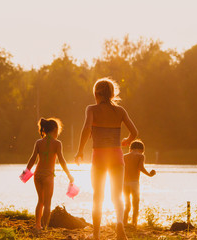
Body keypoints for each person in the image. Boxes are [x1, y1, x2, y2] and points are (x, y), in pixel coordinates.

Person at [75, 78, 138, 240]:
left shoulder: (92, 109)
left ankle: (96, 234)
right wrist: (127, 141)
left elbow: (86, 128)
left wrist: (80, 150)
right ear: (112, 94)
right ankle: (120, 229)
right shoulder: (120, 111)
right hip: (117, 156)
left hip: (99, 157)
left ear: (96, 93)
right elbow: (135, 132)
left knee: (98, 195)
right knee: (117, 195)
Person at [26, 117, 74, 230]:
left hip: (37, 175)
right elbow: (62, 160)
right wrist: (69, 175)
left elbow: (32, 159)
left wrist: (26, 173)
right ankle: (45, 227)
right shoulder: (57, 143)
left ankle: (37, 225)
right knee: (47, 203)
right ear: (55, 130)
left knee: (40, 201)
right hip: (48, 176)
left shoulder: (38, 142)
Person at [123, 140, 156, 228]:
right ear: (141, 149)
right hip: (134, 182)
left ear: (131, 148)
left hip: (124, 182)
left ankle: (124, 223)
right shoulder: (141, 156)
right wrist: (149, 174)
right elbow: (140, 167)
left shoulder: (124, 156)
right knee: (135, 204)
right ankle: (134, 223)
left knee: (127, 204)